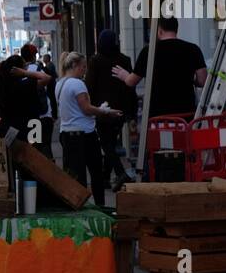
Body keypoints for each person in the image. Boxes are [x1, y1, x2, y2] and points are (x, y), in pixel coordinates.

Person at [56, 51, 123, 205]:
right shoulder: (77, 84)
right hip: (84, 134)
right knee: (95, 173)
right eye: (83, 67)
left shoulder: (60, 83)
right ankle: (99, 205)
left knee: (75, 174)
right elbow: (86, 108)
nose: (85, 70)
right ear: (74, 65)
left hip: (67, 133)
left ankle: (76, 204)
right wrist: (105, 111)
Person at [112, 16, 208, 120]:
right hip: (185, 114)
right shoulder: (193, 49)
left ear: (160, 30)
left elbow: (131, 81)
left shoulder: (148, 51)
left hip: (158, 116)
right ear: (176, 29)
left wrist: (125, 76)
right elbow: (203, 81)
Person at [87, 30, 139, 190]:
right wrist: (132, 111)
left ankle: (120, 172)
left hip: (103, 110)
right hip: (120, 110)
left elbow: (90, 85)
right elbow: (130, 87)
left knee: (106, 144)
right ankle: (104, 177)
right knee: (110, 142)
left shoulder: (95, 61)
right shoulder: (125, 59)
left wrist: (89, 106)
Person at [21, 43, 53, 157]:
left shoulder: (20, 72)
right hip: (44, 115)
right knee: (46, 147)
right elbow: (49, 83)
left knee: (34, 148)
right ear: (34, 55)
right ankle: (50, 172)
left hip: (31, 117)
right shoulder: (37, 69)